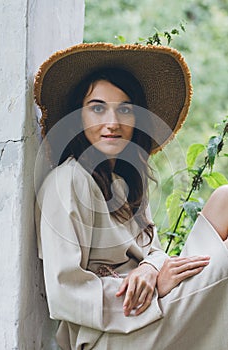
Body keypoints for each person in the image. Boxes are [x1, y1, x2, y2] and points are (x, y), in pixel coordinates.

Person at [34, 43, 228, 350]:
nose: (112, 122)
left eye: (124, 109)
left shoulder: (125, 180)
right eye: (97, 108)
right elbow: (64, 291)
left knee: (225, 199)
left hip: (151, 306)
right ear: (77, 117)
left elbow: (154, 252)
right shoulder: (66, 182)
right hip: (116, 330)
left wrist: (151, 270)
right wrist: (151, 290)